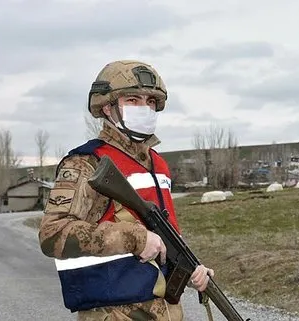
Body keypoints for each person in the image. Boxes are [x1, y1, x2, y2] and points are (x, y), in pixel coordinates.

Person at [38, 59, 214, 321]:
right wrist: (134, 239)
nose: (145, 108)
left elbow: (166, 236)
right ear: (108, 107)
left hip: (166, 312)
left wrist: (190, 268)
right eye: (132, 100)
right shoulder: (86, 163)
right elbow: (53, 235)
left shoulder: (158, 165)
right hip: (115, 313)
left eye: (151, 101)